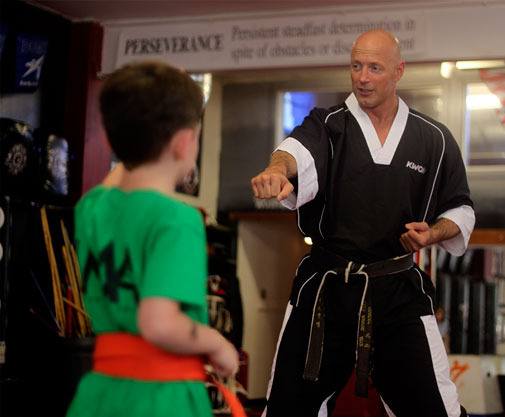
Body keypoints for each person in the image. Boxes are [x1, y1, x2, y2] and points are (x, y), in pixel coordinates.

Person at [251, 29, 474, 417]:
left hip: (396, 290)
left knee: (436, 408)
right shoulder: (328, 125)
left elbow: (461, 210)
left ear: (398, 71)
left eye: (374, 68)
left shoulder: (434, 139)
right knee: (289, 406)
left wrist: (434, 233)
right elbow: (293, 153)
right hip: (326, 288)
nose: (363, 77)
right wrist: (275, 171)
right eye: (356, 66)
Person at [66, 61, 239, 417]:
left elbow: (119, 173)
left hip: (101, 392)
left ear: (112, 140)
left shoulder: (91, 207)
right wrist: (218, 344)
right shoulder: (177, 219)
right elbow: (159, 323)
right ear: (185, 142)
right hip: (161, 398)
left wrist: (137, 120)